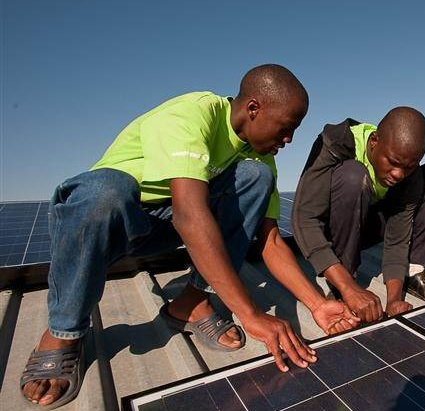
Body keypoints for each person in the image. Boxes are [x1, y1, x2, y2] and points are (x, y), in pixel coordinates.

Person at [20, 64, 360, 409]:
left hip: (170, 228)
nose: (288, 140)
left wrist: (317, 304)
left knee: (255, 177)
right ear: (254, 108)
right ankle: (63, 332)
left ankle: (191, 303)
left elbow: (270, 241)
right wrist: (251, 314)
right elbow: (189, 214)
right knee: (107, 191)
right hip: (110, 223)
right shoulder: (191, 114)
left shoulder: (260, 157)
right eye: (286, 129)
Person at [292, 107, 425, 325]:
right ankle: (343, 281)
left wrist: (394, 300)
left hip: (371, 225)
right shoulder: (336, 142)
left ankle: (413, 273)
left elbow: (397, 236)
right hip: (337, 229)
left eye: (407, 167)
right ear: (374, 141)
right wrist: (348, 287)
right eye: (393, 162)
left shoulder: (407, 170)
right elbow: (304, 220)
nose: (398, 174)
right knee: (353, 176)